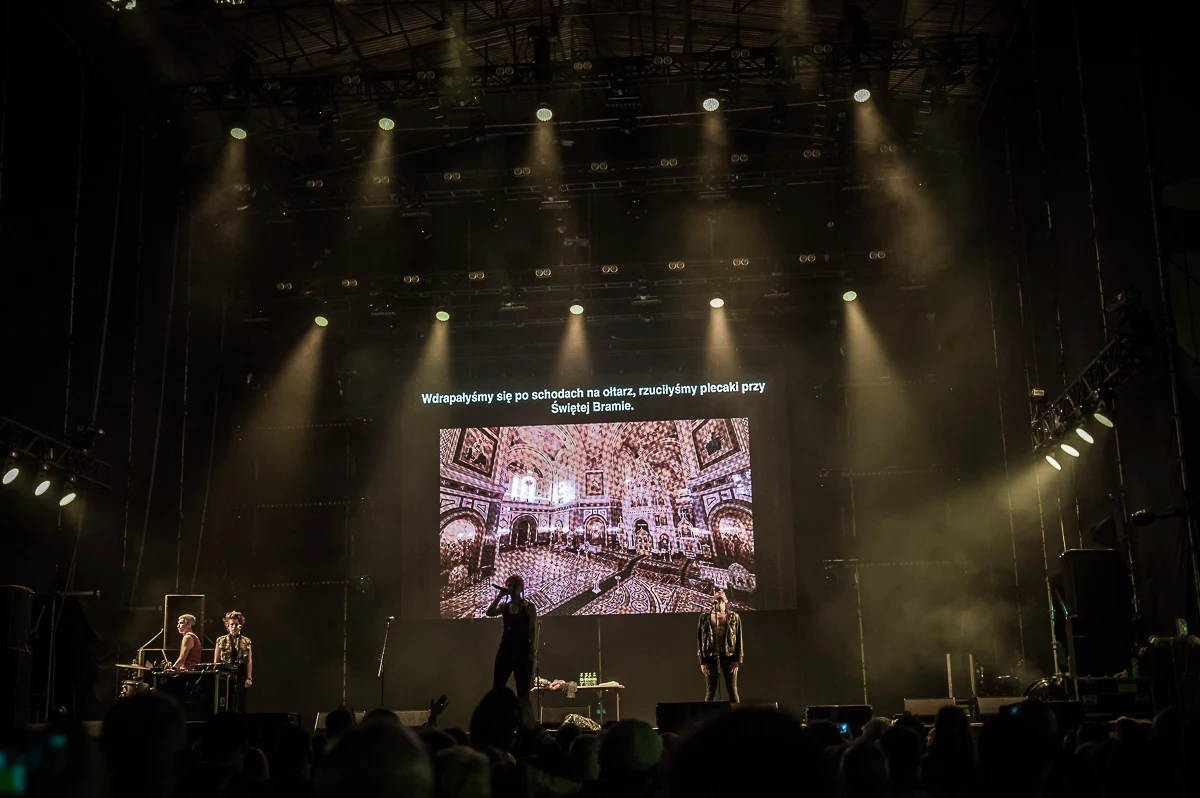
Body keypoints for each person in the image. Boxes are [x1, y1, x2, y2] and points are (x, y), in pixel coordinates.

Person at [486, 574, 536, 700]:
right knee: (498, 687)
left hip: (523, 651)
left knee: (523, 690)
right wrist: (499, 596)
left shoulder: (529, 607)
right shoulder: (505, 607)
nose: (511, 589)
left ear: (521, 588)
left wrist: (531, 649)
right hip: (506, 650)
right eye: (509, 586)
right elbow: (490, 612)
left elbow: (532, 629)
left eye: (514, 586)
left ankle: (522, 717)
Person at [696, 589, 742, 702]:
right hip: (711, 656)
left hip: (729, 656)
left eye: (721, 599)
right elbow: (700, 640)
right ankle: (709, 717)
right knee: (711, 691)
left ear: (726, 601)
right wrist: (702, 661)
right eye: (717, 599)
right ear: (713, 601)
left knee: (732, 690)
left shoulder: (734, 616)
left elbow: (739, 637)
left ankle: (738, 718)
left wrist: (737, 659)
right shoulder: (705, 617)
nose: (719, 601)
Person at [214, 610, 253, 711]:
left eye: (236, 624)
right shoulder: (220, 640)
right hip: (225, 672)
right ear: (227, 625)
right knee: (225, 699)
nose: (234, 627)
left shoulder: (246, 641)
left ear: (240, 625)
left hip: (240, 671)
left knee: (240, 700)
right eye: (232, 624)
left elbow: (248, 661)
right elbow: (216, 660)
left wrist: (249, 677)